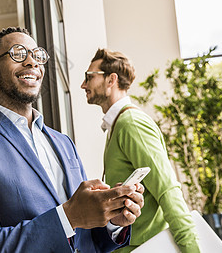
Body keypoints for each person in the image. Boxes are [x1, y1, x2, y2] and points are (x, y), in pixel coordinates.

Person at [0, 27, 144, 253]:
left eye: (37, 55)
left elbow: (87, 235)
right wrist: (68, 216)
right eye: (18, 54)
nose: (32, 62)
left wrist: (112, 220)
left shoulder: (63, 142)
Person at [81, 48, 200, 252]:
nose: (83, 84)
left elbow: (167, 190)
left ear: (111, 80)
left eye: (89, 77)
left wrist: (192, 249)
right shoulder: (117, 125)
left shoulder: (131, 123)